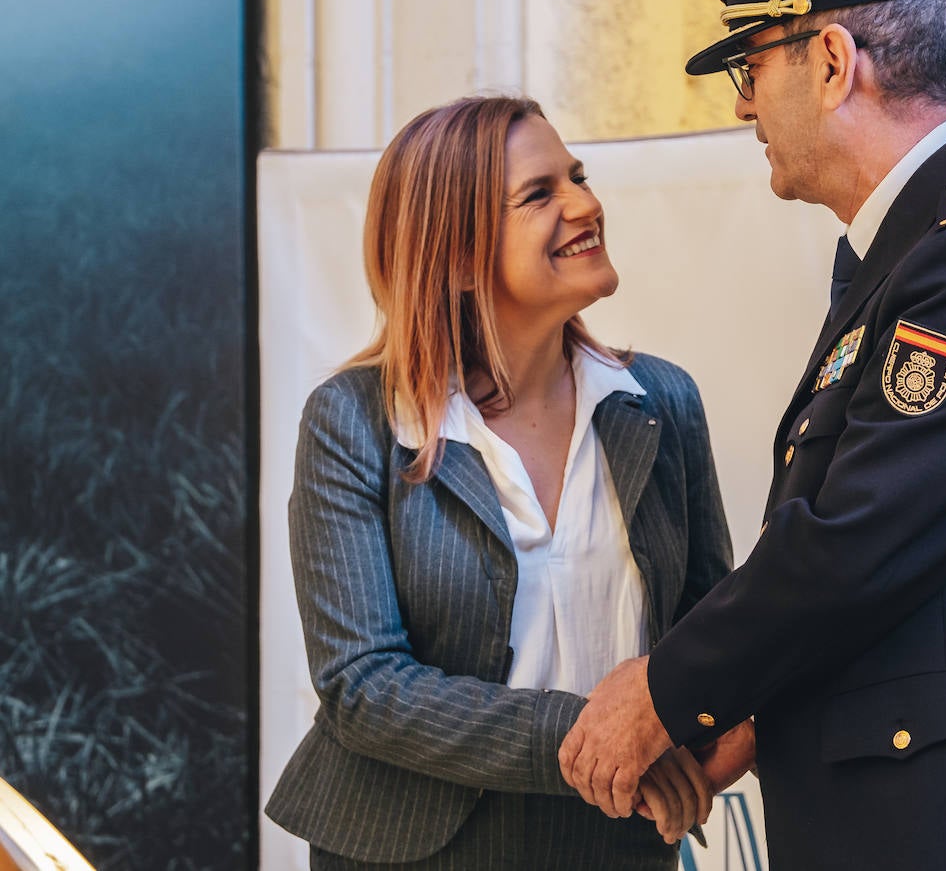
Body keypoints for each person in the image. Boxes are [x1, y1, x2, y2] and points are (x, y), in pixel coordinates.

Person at [559, 0, 946, 870]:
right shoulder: (926, 249)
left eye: (751, 65)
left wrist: (666, 690)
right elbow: (905, 566)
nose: (745, 104)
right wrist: (755, 710)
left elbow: (857, 543)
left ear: (832, 62)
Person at [266, 95, 734, 869]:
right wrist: (598, 735)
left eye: (577, 177)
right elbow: (362, 683)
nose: (586, 204)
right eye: (540, 193)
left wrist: (707, 729)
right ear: (453, 255)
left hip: (617, 839)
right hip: (410, 849)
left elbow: (707, 625)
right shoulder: (352, 420)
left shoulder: (663, 401)